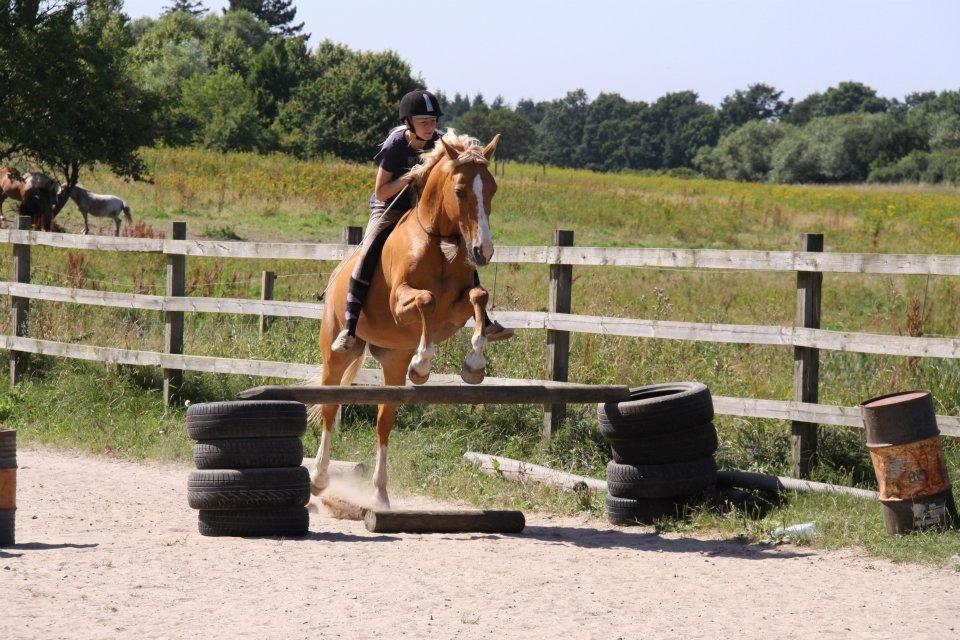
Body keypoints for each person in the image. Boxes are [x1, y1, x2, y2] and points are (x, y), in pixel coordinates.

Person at [331, 89, 513, 352]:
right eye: (423, 122)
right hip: (389, 208)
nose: (430, 127)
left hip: (423, 212)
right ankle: (349, 327)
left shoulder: (441, 144)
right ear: (409, 123)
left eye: (433, 121)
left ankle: (482, 319)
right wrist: (409, 177)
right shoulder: (395, 145)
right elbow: (381, 191)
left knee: (461, 247)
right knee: (367, 250)